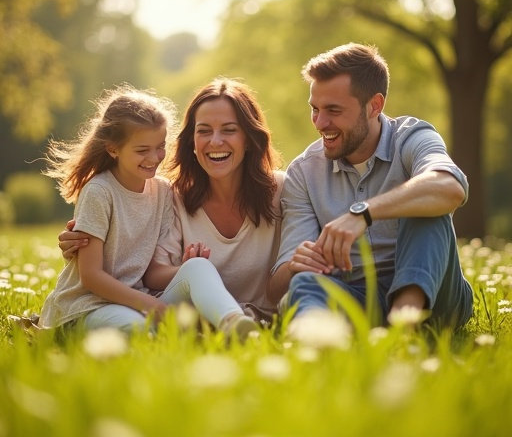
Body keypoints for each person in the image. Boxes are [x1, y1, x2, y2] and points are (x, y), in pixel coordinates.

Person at [266, 43, 473, 330]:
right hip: (358, 297)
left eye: (333, 110)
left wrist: (362, 213)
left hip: (438, 299)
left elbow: (450, 187)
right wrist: (295, 265)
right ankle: (313, 350)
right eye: (315, 109)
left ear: (374, 105)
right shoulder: (304, 172)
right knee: (304, 284)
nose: (320, 122)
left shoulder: (412, 137)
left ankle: (404, 327)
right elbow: (276, 291)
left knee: (425, 200)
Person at [57, 78, 284, 326]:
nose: (154, 158)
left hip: (140, 302)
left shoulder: (163, 191)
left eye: (159, 147)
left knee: (196, 268)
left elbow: (155, 272)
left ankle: (234, 323)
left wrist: (185, 270)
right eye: (142, 150)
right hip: (98, 304)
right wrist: (156, 297)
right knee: (142, 328)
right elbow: (94, 276)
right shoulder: (110, 192)